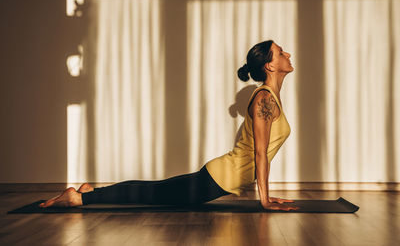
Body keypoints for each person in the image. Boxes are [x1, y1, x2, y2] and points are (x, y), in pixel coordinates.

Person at [39, 40, 299, 211]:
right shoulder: (265, 98)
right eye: (280, 52)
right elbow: (260, 153)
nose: (287, 54)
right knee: (152, 194)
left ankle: (90, 192)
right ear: (270, 65)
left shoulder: (269, 97)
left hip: (221, 175)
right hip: (221, 177)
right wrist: (264, 200)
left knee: (154, 189)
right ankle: (79, 197)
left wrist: (266, 196)